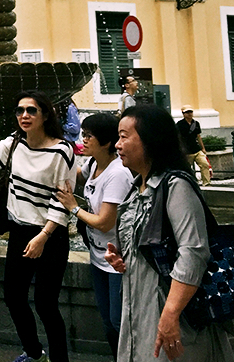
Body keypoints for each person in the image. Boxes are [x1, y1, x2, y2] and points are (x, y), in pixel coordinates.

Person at [105, 105, 234, 362]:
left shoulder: (176, 186)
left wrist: (171, 313)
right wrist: (123, 256)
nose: (117, 145)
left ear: (151, 139)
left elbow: (194, 251)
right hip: (139, 309)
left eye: (124, 136)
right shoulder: (136, 188)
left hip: (173, 313)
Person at [0, 90, 74, 362]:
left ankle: (59, 359)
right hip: (20, 231)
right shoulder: (15, 142)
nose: (24, 115)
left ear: (45, 115)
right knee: (13, 296)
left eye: (31, 110)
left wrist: (43, 236)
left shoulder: (62, 150)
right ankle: (33, 351)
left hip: (50, 235)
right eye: (20, 110)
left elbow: (61, 199)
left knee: (46, 304)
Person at [54, 113, 133, 358]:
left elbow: (104, 221)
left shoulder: (118, 174)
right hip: (99, 256)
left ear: (106, 142)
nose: (83, 140)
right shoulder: (93, 165)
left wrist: (73, 208)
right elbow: (75, 173)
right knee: (108, 321)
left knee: (120, 322)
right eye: (83, 134)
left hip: (119, 259)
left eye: (89, 136)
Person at [176, 106, 211, 186]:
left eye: (191, 112)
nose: (189, 114)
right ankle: (188, 183)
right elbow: (177, 137)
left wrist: (203, 148)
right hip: (186, 151)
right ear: (183, 114)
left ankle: (206, 183)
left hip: (196, 149)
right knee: (187, 168)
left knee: (204, 164)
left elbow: (198, 136)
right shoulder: (180, 124)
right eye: (187, 112)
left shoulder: (196, 123)